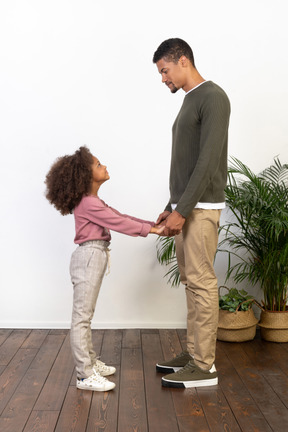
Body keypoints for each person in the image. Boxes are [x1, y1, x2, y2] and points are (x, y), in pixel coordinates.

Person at [45, 146, 164, 392]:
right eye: (99, 165)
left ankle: (89, 363)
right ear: (86, 176)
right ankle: (84, 375)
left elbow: (120, 215)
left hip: (94, 255)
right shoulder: (88, 203)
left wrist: (153, 225)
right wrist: (152, 230)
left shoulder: (92, 201)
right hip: (89, 256)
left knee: (85, 316)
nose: (105, 166)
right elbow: (119, 223)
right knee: (82, 318)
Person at [153, 38, 230, 388]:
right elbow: (185, 162)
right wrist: (170, 206)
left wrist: (182, 210)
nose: (164, 79)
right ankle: (195, 353)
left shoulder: (213, 97)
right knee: (191, 282)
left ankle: (205, 366)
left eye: (165, 71)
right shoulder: (189, 100)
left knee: (201, 283)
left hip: (200, 208)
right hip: (185, 207)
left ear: (182, 60)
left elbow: (207, 159)